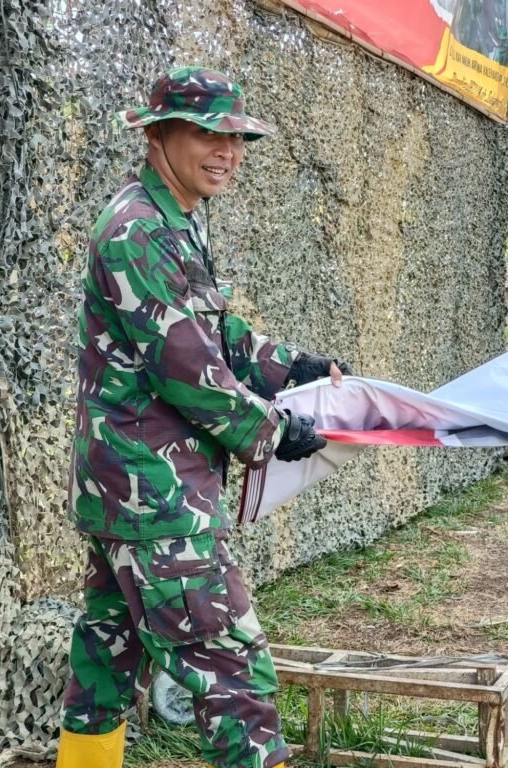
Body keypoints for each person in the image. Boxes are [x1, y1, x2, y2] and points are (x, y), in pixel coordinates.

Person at [58, 67, 352, 768]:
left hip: (127, 492)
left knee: (105, 663)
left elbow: (210, 329)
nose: (228, 151)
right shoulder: (137, 230)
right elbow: (187, 368)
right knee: (232, 672)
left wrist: (291, 366)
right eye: (206, 133)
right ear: (158, 134)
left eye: (238, 138)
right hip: (155, 496)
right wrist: (276, 431)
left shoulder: (174, 218)